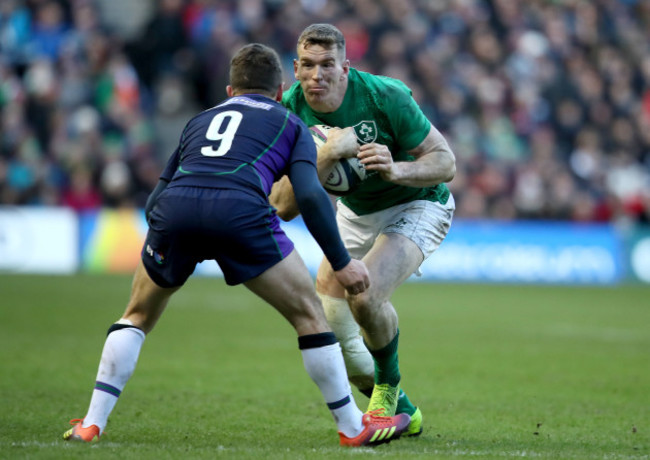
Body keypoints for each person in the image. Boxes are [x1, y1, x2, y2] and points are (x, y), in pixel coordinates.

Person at [62, 43, 411, 447]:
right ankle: (353, 427)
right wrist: (341, 262)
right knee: (311, 318)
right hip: (241, 213)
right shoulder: (289, 123)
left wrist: (169, 236)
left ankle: (91, 424)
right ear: (280, 91)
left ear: (230, 91)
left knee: (136, 315)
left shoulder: (199, 120)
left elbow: (156, 200)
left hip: (176, 211)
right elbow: (312, 195)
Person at [270, 24, 456, 437]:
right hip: (355, 213)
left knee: (366, 294)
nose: (317, 76)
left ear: (345, 68)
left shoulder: (384, 95)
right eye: (309, 66)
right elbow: (281, 205)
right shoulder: (288, 109)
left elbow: (446, 162)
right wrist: (328, 152)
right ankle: (404, 409)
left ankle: (387, 390)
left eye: (328, 65)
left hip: (418, 202)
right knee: (331, 321)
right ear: (296, 68)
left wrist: (396, 169)